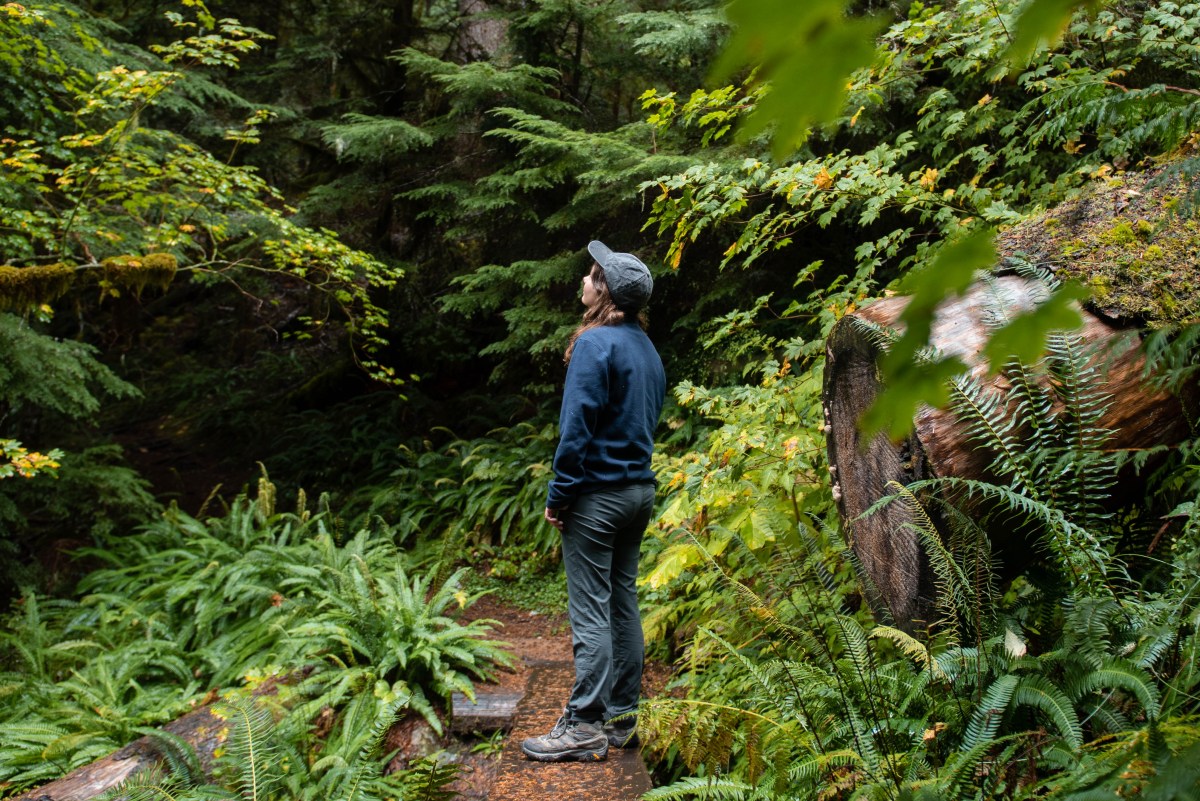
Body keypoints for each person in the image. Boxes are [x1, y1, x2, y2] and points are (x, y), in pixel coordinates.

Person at [520, 240, 666, 763]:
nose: (581, 282)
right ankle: (623, 719)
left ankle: (583, 724)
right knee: (623, 603)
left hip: (598, 497)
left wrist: (559, 497)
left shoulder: (594, 344)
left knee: (590, 612)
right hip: (638, 494)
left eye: (589, 275)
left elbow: (575, 431)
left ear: (603, 290)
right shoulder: (646, 349)